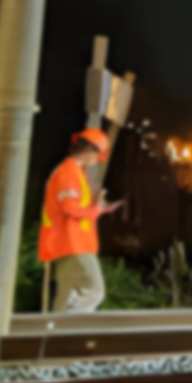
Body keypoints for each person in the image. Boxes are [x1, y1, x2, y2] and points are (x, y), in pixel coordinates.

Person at [38, 128, 123, 312]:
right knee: (93, 291)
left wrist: (97, 206)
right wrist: (96, 210)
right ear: (89, 150)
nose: (97, 160)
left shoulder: (75, 173)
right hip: (73, 243)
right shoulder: (68, 173)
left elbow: (74, 205)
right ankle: (72, 325)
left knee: (66, 298)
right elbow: (69, 207)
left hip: (66, 244)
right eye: (98, 154)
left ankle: (59, 328)